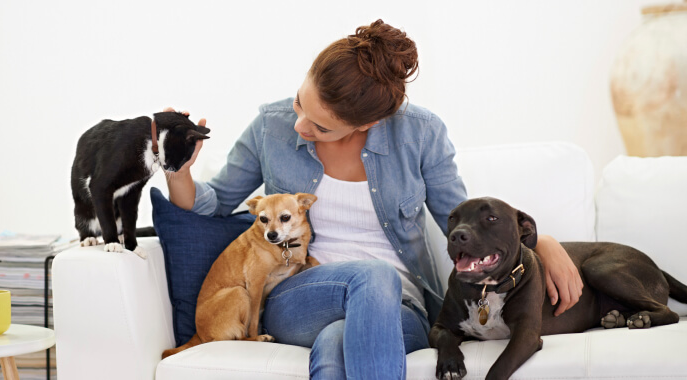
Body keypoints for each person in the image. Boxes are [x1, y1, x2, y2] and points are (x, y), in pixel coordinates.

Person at [165, 19, 583, 380]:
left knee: (336, 342)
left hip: (401, 307)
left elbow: (462, 223)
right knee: (373, 275)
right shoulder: (270, 127)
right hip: (300, 296)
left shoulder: (420, 133)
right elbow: (215, 203)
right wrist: (178, 170)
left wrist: (537, 242)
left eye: (321, 127)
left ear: (368, 123)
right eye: (299, 102)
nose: (299, 125)